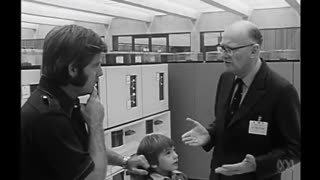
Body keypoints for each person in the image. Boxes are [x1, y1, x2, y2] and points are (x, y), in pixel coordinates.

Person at [21, 24, 149, 180]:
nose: (100, 73)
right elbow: (94, 177)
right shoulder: (48, 117)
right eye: (95, 66)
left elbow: (84, 151)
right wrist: (95, 123)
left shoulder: (64, 102)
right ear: (73, 69)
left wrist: (124, 161)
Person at [181, 20, 300, 180]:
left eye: (230, 49)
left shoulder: (281, 91)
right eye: (222, 48)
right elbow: (225, 122)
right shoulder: (226, 78)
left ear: (254, 50)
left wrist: (259, 165)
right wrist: (210, 134)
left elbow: (296, 151)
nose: (223, 54)